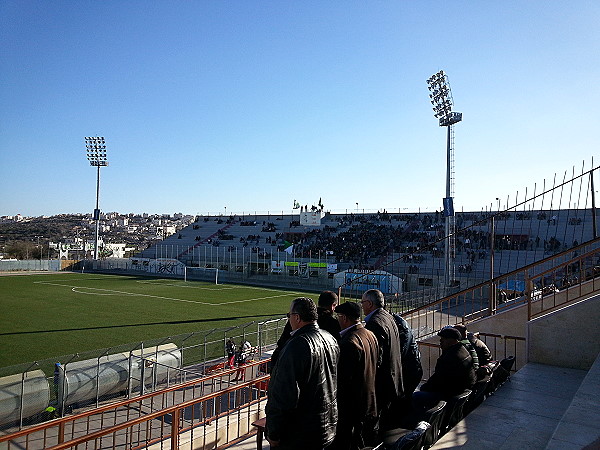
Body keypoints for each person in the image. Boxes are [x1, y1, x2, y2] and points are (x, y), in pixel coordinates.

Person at [266, 297, 340, 449]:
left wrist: (273, 432)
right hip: (326, 426)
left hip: (302, 433)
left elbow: (282, 394)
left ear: (297, 317)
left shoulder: (297, 345)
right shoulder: (330, 338)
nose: (289, 319)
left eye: (289, 315)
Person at [332, 301, 379, 450]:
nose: (338, 319)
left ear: (345, 318)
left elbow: (343, 380)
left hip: (352, 409)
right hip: (369, 402)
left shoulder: (349, 342)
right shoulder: (369, 334)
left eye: (339, 316)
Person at [361, 289, 404, 430]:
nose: (362, 306)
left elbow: (376, 359)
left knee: (376, 426)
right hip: (393, 378)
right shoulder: (388, 317)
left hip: (383, 383)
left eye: (363, 302)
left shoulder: (374, 323)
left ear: (369, 303)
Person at [412, 327, 476, 412]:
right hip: (459, 391)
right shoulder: (462, 350)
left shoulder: (451, 357)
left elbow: (438, 380)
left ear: (452, 340)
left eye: (443, 339)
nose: (440, 341)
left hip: (450, 394)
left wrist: (424, 387)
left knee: (415, 396)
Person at [392, 312, 423, 397]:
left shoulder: (400, 327)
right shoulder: (400, 323)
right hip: (413, 368)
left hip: (410, 370)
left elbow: (401, 352)